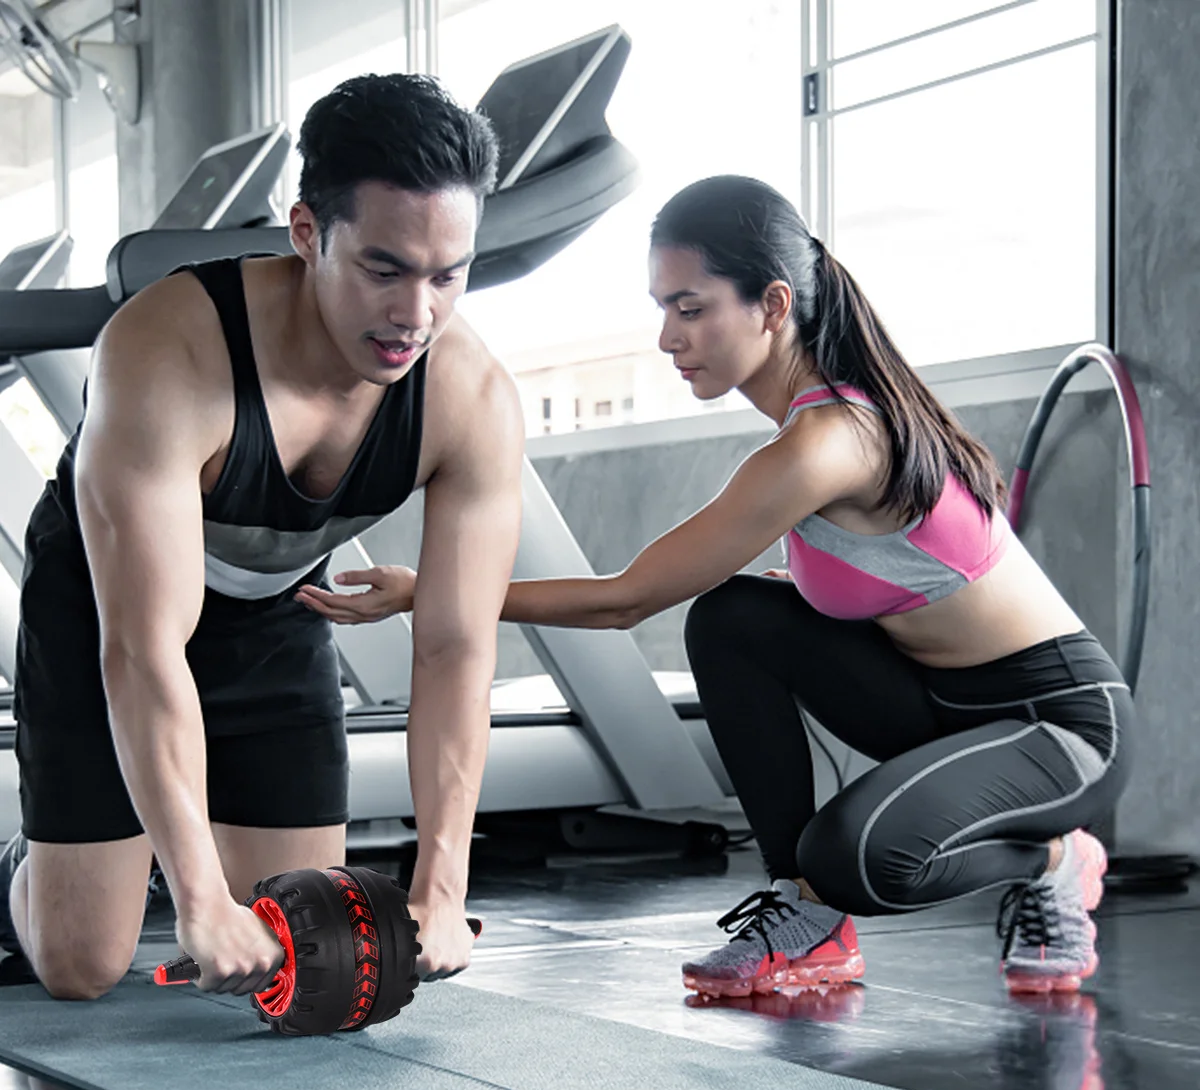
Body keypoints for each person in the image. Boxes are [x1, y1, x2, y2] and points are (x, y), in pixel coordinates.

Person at [295, 174, 1135, 999]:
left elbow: (626, 599)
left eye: (690, 308)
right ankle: (802, 914)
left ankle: (1057, 860)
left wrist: (428, 591)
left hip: (1057, 726)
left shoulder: (827, 443)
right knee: (734, 616)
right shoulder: (811, 435)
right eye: (663, 307)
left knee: (851, 861)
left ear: (771, 306)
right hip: (934, 710)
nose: (668, 337)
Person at [0, 74, 524, 1001]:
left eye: (449, 275)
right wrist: (197, 896)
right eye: (385, 269)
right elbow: (142, 645)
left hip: (274, 618)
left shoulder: (472, 396)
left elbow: (452, 644)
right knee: (83, 965)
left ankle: (150, 841)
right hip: (105, 614)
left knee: (301, 924)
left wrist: (443, 887)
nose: (417, 316)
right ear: (308, 233)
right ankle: (33, 859)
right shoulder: (168, 352)